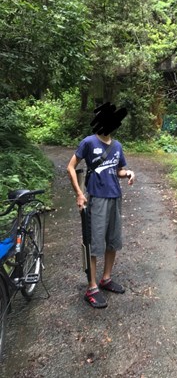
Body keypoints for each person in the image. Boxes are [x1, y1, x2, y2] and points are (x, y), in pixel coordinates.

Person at [67, 131, 135, 308]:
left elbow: (118, 169)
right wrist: (79, 194)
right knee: (94, 243)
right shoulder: (89, 142)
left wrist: (127, 173)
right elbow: (70, 167)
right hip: (97, 198)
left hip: (115, 197)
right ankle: (91, 288)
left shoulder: (117, 145)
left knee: (113, 240)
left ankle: (106, 279)